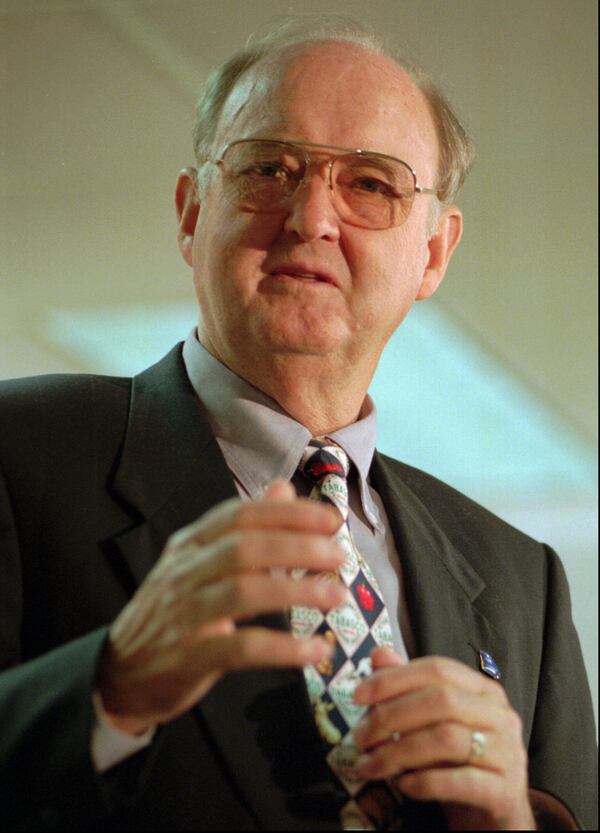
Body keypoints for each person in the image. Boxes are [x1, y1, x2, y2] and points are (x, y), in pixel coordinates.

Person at [0, 20, 596, 832]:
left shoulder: (525, 580)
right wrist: (110, 687)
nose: (312, 216)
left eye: (372, 185)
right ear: (190, 212)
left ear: (432, 255)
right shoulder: (19, 453)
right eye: (268, 168)